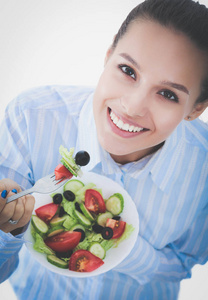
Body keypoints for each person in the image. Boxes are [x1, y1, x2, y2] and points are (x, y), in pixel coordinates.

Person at [0, 0, 208, 299]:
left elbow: (184, 262)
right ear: (108, 55)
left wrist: (128, 246)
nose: (132, 107)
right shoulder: (30, 118)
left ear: (196, 109)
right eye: (127, 70)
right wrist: (6, 229)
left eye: (167, 94)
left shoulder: (204, 166)